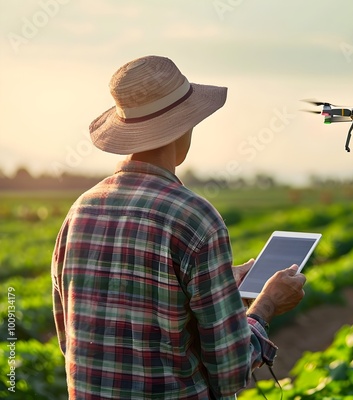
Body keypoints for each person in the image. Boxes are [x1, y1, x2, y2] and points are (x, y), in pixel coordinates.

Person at [51, 55, 307, 399]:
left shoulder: (80, 211)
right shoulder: (195, 218)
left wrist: (217, 284)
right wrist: (266, 306)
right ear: (183, 127)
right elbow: (230, 372)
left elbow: (71, 343)